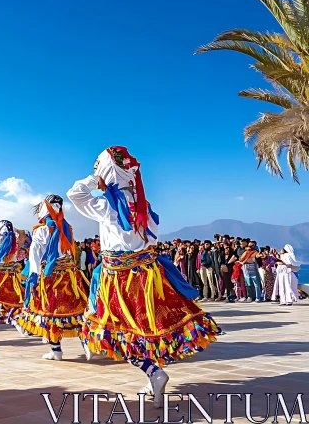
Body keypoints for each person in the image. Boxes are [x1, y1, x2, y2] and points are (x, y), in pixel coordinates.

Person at [67, 146, 219, 409]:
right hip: (148, 273)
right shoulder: (142, 204)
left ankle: (153, 373)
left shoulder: (106, 204)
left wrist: (96, 179)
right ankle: (153, 379)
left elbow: (75, 194)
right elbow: (152, 237)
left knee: (116, 331)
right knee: (147, 329)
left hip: (119, 277)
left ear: (106, 171)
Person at [16, 195, 91, 361]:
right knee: (77, 309)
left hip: (50, 277)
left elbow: (35, 255)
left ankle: (56, 350)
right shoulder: (67, 227)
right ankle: (86, 343)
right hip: (70, 275)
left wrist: (33, 276)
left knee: (49, 312)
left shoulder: (41, 230)